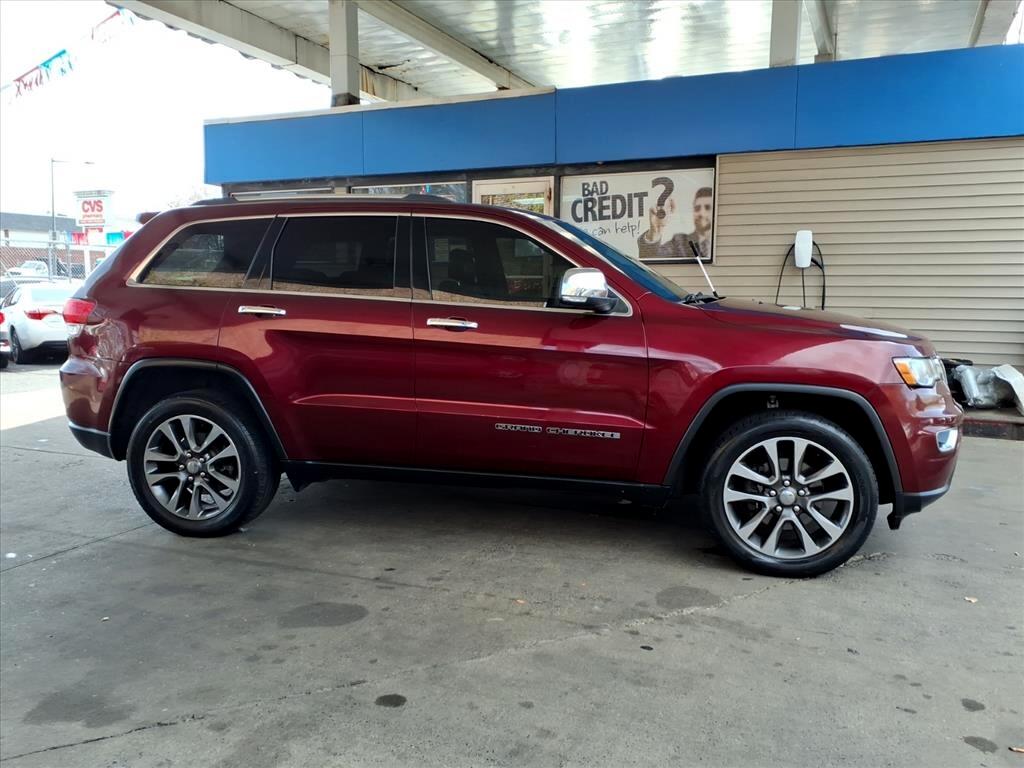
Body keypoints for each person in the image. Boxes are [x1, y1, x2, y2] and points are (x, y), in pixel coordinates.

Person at [636, 186, 713, 261]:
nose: (702, 213)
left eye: (707, 208)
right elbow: (649, 258)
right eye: (697, 208)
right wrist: (656, 230)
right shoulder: (679, 242)